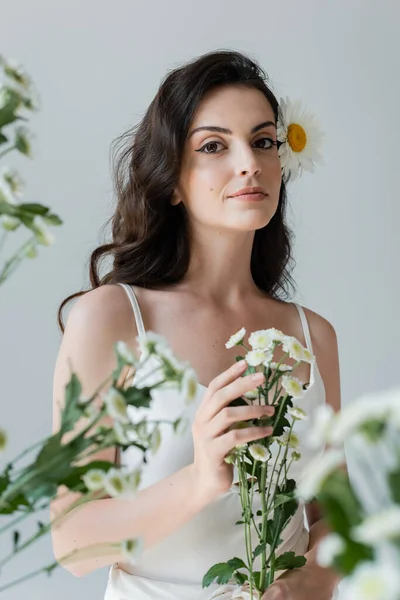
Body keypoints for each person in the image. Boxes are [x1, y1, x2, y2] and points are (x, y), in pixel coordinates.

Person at [50, 49, 341, 600]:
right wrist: (201, 479)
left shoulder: (312, 336)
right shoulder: (112, 320)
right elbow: (72, 542)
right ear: (173, 181)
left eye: (262, 141)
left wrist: (307, 585)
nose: (249, 163)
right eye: (214, 146)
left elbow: (333, 516)